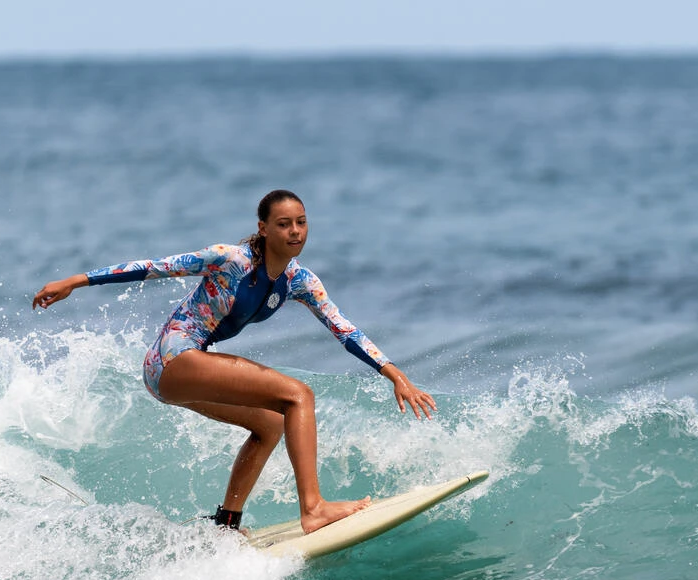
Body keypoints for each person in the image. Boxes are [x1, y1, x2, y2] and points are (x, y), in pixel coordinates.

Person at [33, 189, 436, 533]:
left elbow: (344, 329)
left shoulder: (300, 281)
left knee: (270, 424)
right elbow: (155, 267)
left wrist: (395, 374)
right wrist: (75, 281)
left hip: (184, 368)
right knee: (298, 396)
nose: (295, 231)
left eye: (301, 222)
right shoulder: (230, 260)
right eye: (283, 224)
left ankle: (226, 522)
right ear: (263, 228)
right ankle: (313, 509)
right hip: (173, 357)